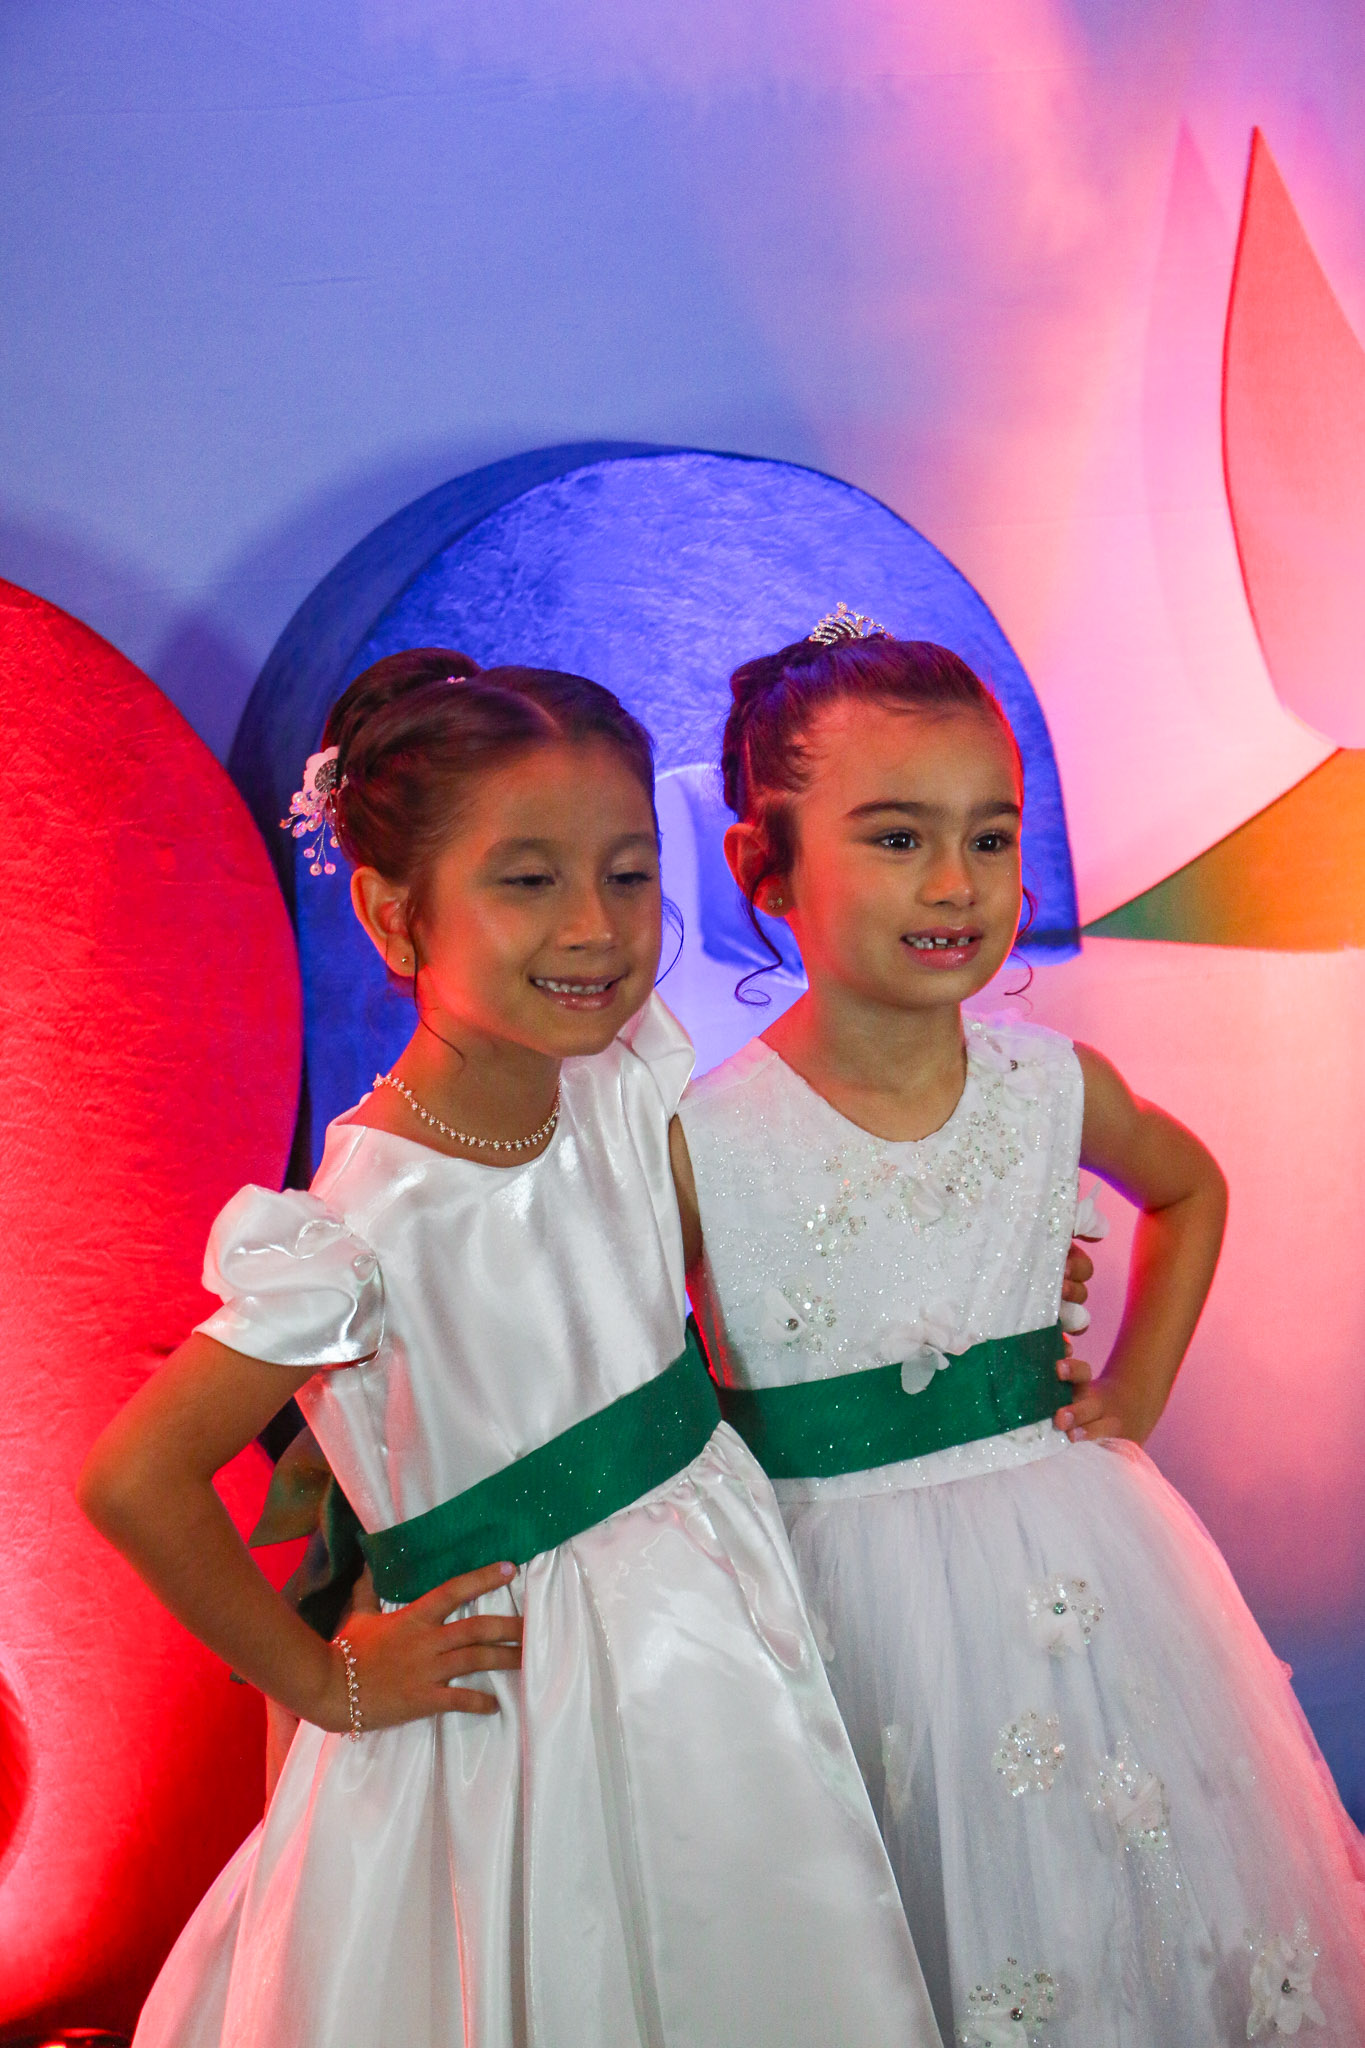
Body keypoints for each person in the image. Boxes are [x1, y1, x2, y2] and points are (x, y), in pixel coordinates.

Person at [80, 650, 941, 2048]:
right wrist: (322, 1680)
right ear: (393, 914)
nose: (594, 926)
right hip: (522, 1703)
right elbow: (134, 1477)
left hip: (703, 1639)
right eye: (528, 880)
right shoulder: (364, 1224)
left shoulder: (619, 1083)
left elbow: (721, 1258)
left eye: (626, 873)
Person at [674, 618, 1365, 2046]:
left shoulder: (1049, 1086)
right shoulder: (700, 1142)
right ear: (764, 867)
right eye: (897, 839)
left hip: (1068, 1587)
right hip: (819, 1597)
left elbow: (1189, 1186)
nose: (955, 884)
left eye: (990, 838)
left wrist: (1135, 1392)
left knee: (1106, 1908)